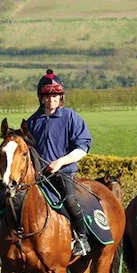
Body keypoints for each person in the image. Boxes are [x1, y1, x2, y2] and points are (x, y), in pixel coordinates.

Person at [26, 69, 94, 257]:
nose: (51, 100)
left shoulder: (71, 117)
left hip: (64, 173)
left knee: (70, 200)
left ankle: (82, 238)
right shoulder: (32, 122)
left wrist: (60, 162)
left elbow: (83, 147)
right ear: (41, 98)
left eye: (55, 96)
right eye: (47, 96)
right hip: (40, 177)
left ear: (61, 97)